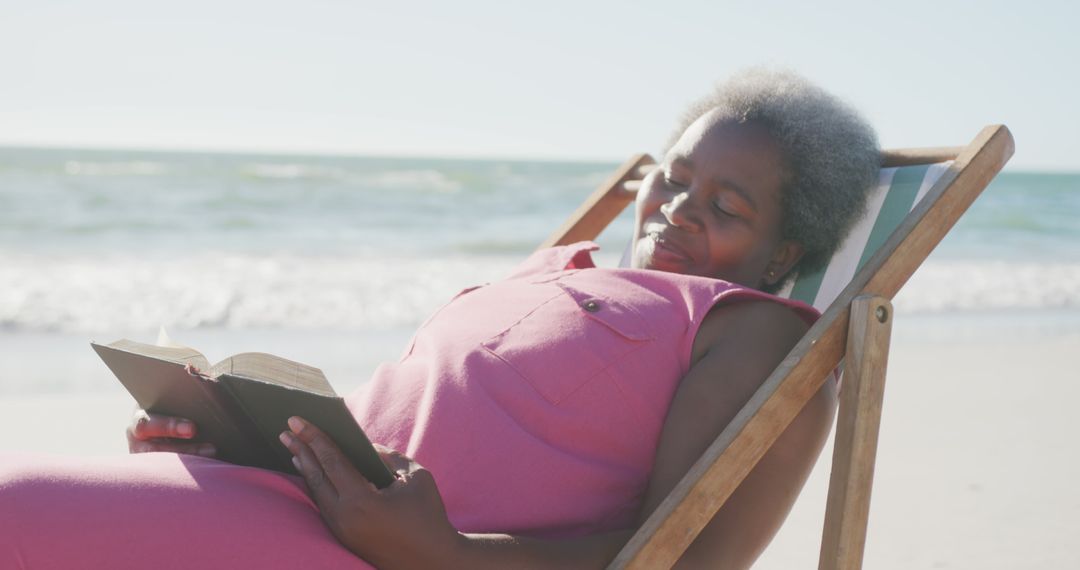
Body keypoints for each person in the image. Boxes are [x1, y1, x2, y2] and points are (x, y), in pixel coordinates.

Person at [0, 68, 879, 569]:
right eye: (676, 177)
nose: (678, 209)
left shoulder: (754, 327)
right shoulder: (565, 269)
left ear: (780, 255)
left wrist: (444, 553)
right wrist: (227, 439)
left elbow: (679, 560)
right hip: (292, 501)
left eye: (726, 207)